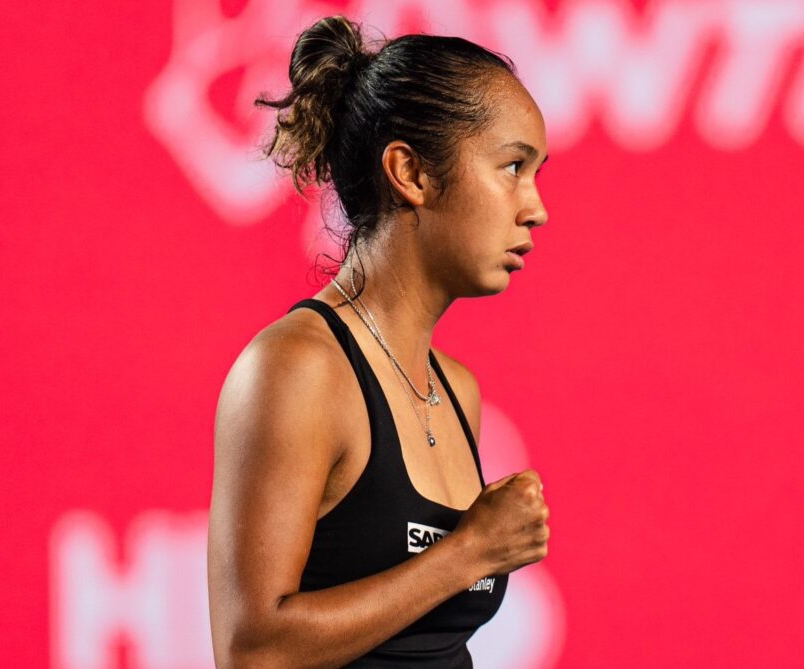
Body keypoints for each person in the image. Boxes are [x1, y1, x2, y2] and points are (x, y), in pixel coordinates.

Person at [207, 14, 551, 668]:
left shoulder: (457, 389)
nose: (535, 207)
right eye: (512, 167)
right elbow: (250, 649)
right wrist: (469, 552)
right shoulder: (296, 368)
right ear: (410, 172)